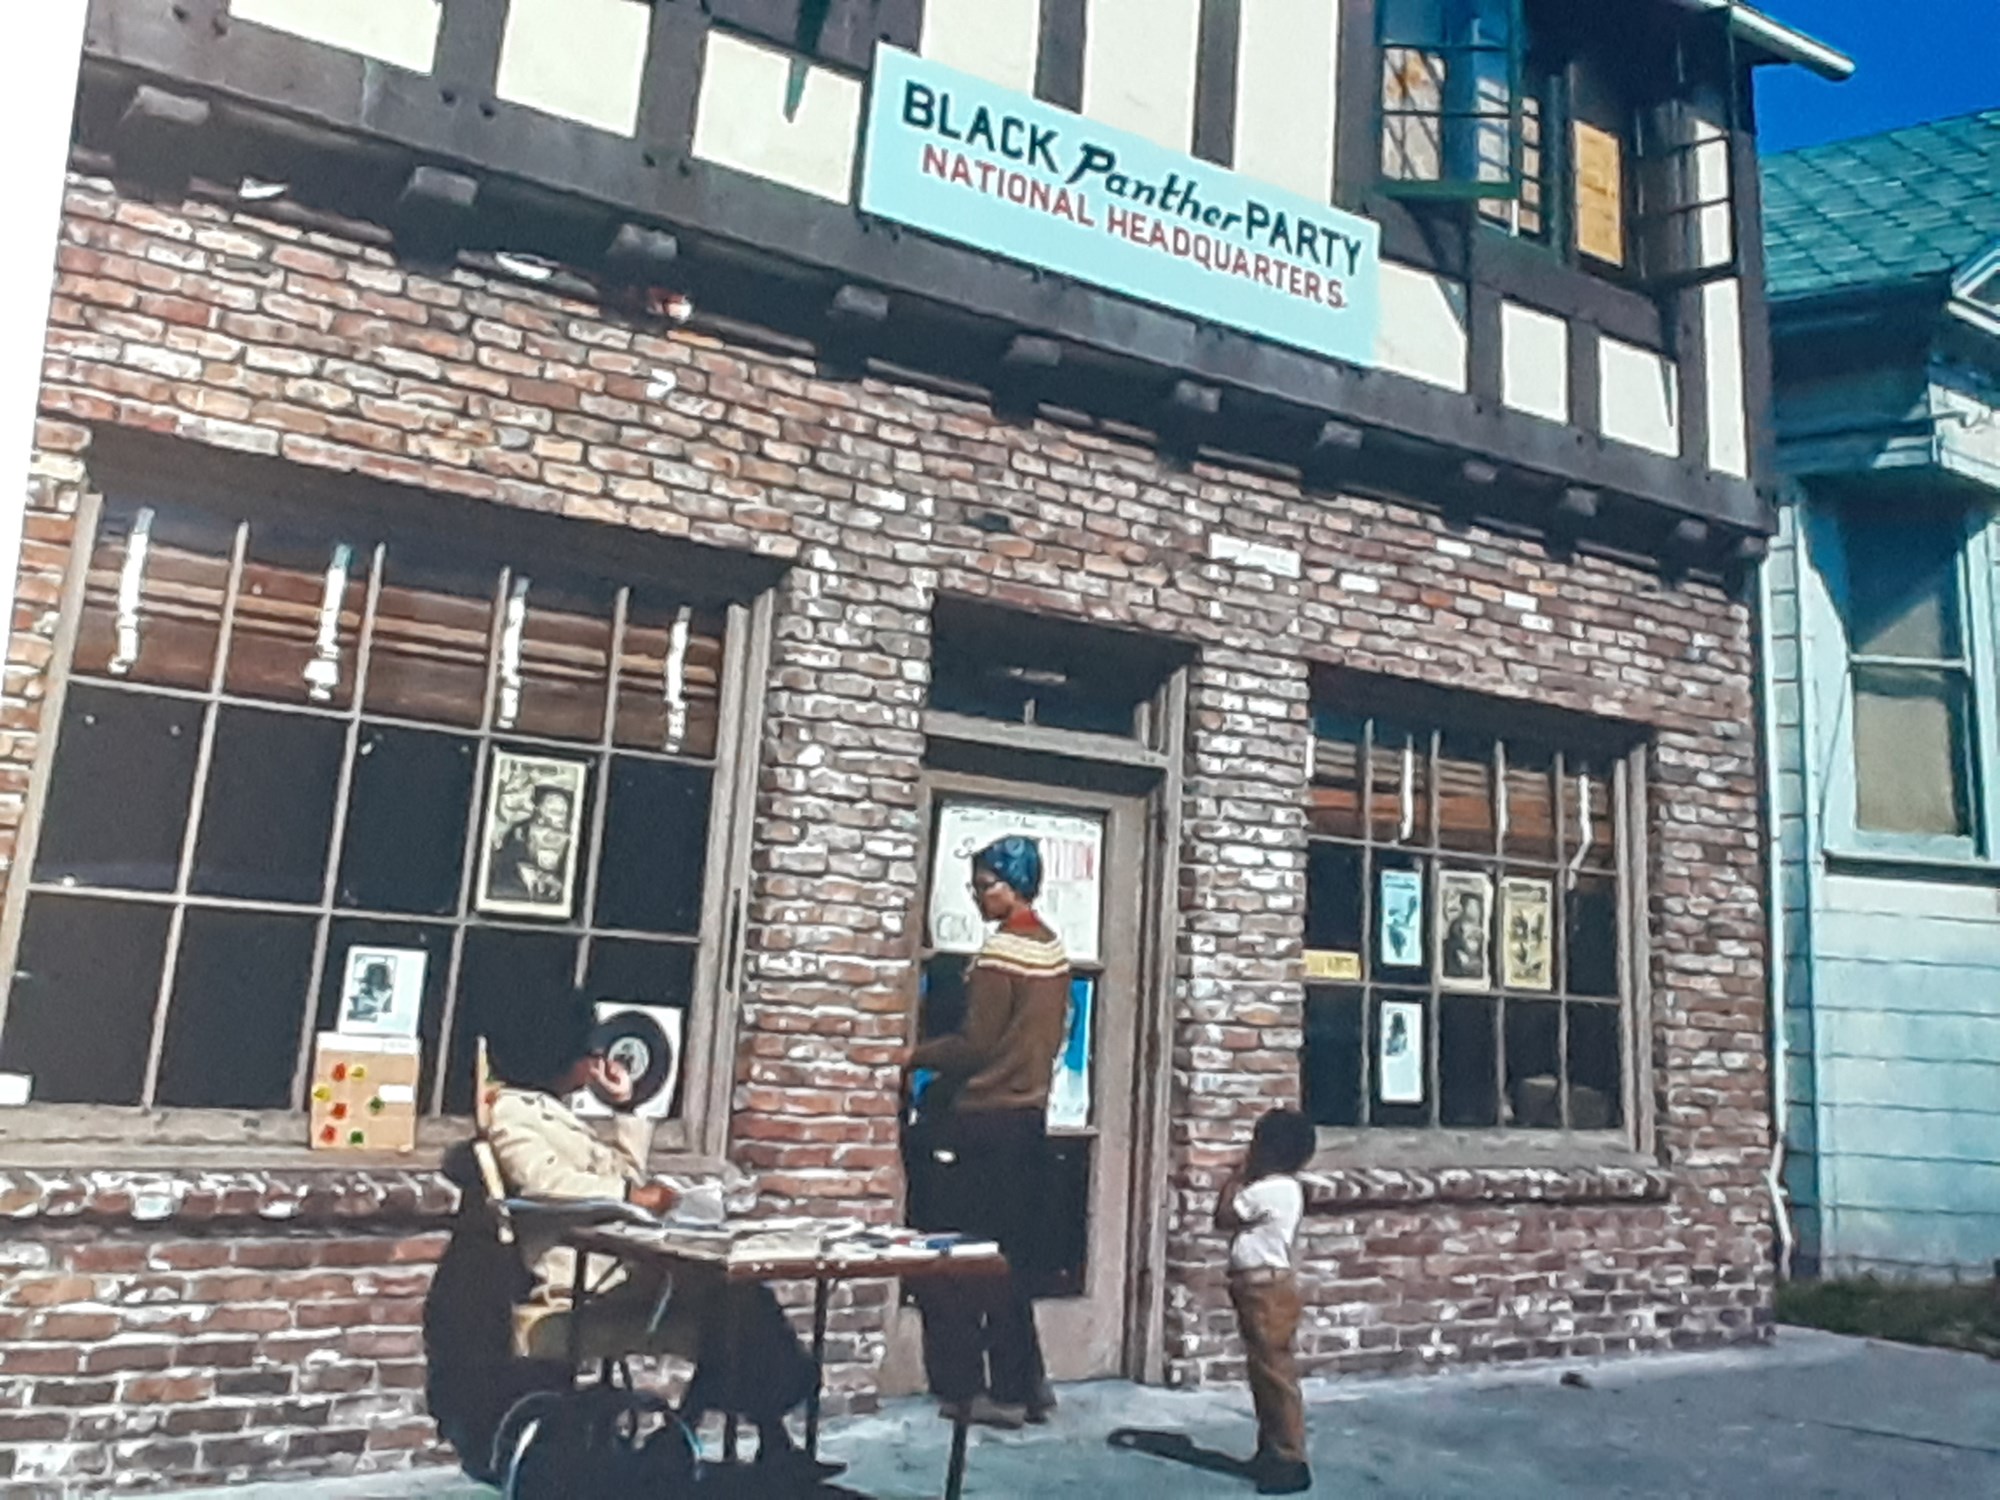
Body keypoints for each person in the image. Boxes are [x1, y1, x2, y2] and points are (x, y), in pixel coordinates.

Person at [483, 992, 835, 1486]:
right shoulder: (512, 1112)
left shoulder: (554, 1112)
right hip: (583, 1275)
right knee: (735, 1306)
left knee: (737, 1303)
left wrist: (627, 1108)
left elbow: (625, 1175)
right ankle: (763, 1412)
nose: (596, 1061)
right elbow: (543, 1181)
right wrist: (632, 1195)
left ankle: (734, 1433)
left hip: (615, 1265)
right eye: (588, 1052)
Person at [902, 835, 1069, 1429]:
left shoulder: (1002, 954)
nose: (977, 897)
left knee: (959, 1259)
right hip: (1028, 1120)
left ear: (1012, 886)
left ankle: (973, 1388)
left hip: (981, 1120)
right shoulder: (1052, 949)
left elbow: (975, 1043)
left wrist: (912, 1055)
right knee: (1010, 1260)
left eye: (985, 886)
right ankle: (1026, 1383)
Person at [1214, 1108, 1317, 1496]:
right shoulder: (1288, 1188)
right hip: (1265, 1288)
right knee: (1265, 1372)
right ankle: (1271, 1449)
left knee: (1274, 1374)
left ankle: (1289, 1457)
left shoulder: (1269, 1189)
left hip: (1264, 1291)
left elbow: (1225, 1215)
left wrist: (1237, 1175)